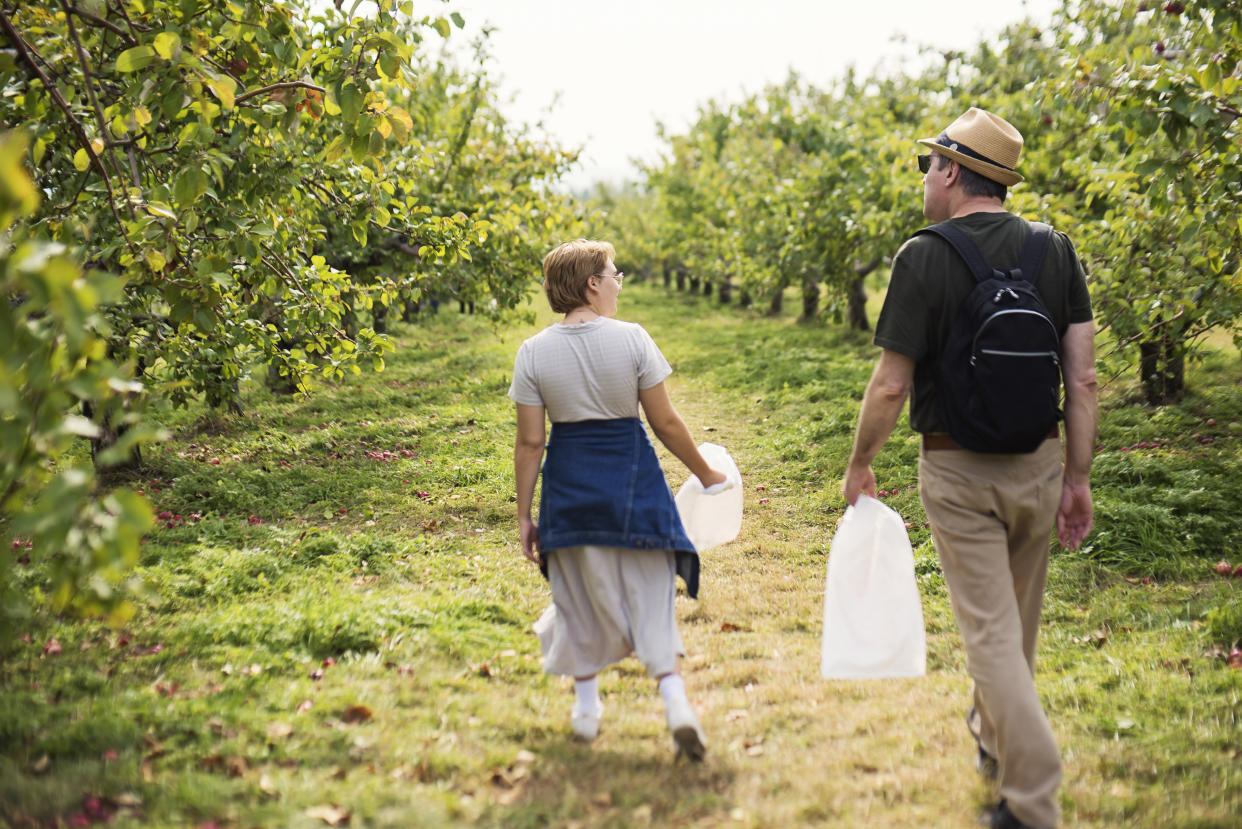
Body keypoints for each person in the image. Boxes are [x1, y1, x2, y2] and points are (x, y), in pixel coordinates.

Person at [841, 108, 1097, 829]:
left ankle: (1033, 791)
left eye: (929, 165)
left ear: (952, 171)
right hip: (1040, 462)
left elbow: (891, 384)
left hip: (957, 471)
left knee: (989, 633)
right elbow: (1082, 381)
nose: (926, 178)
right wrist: (1077, 477)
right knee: (1015, 628)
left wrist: (860, 463)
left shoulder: (924, 256)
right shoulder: (1057, 250)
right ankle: (992, 738)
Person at [509, 239, 728, 761]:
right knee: (651, 594)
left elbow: (531, 442)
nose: (618, 282)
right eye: (613, 274)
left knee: (577, 595)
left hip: (570, 491)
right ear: (591, 284)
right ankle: (676, 705)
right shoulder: (632, 339)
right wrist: (708, 473)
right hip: (633, 483)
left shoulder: (533, 352)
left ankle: (586, 713)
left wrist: (524, 514)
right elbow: (665, 422)